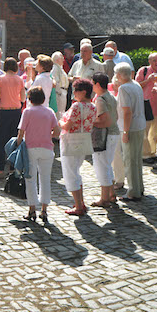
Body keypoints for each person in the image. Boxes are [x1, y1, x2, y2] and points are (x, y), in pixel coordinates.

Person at [17, 86, 60, 223]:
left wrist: (18, 144)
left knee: (30, 179)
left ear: (30, 98)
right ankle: (44, 210)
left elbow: (21, 132)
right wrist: (48, 136)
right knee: (45, 179)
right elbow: (57, 131)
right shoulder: (49, 111)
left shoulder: (27, 112)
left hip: (31, 148)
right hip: (47, 148)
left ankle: (31, 209)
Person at [59, 79, 95, 216]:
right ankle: (80, 202)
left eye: (76, 90)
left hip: (70, 140)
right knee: (76, 171)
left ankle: (78, 205)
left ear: (83, 92)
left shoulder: (76, 106)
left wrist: (60, 122)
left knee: (70, 173)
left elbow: (67, 125)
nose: (73, 93)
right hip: (84, 140)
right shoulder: (93, 106)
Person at [115, 63, 146, 202]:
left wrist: (126, 132)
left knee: (129, 160)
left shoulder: (124, 88)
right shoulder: (136, 84)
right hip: (139, 125)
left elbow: (127, 111)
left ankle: (133, 191)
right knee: (137, 159)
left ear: (120, 75)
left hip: (131, 127)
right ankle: (139, 187)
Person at [0, 57, 24, 178]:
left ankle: (0, 169)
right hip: (16, 111)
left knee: (1, 140)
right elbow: (23, 99)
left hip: (3, 112)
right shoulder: (20, 79)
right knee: (14, 140)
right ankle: (12, 168)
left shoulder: (0, 78)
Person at [90, 73, 120, 207]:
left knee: (102, 166)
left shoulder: (101, 99)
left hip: (105, 135)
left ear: (97, 84)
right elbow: (116, 116)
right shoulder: (111, 96)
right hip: (113, 133)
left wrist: (91, 123)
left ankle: (104, 198)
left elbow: (105, 120)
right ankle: (111, 194)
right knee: (107, 164)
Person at [136, 53, 157, 163]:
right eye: (154, 60)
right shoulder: (143, 71)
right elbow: (137, 85)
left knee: (154, 133)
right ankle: (145, 154)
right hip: (145, 106)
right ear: (149, 61)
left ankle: (152, 153)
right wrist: (148, 80)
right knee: (145, 132)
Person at [50, 52, 70, 117]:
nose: (63, 60)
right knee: (59, 112)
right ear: (58, 59)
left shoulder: (59, 68)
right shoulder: (55, 68)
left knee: (61, 111)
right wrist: (59, 93)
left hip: (62, 92)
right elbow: (55, 81)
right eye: (62, 58)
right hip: (59, 93)